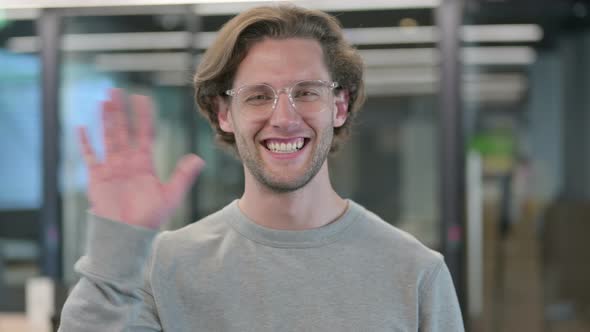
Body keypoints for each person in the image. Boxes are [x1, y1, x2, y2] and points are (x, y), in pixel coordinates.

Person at [59, 4, 464, 331]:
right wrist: (115, 248)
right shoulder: (162, 269)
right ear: (224, 113)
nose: (284, 117)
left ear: (338, 106)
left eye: (306, 92)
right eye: (257, 96)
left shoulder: (416, 274)